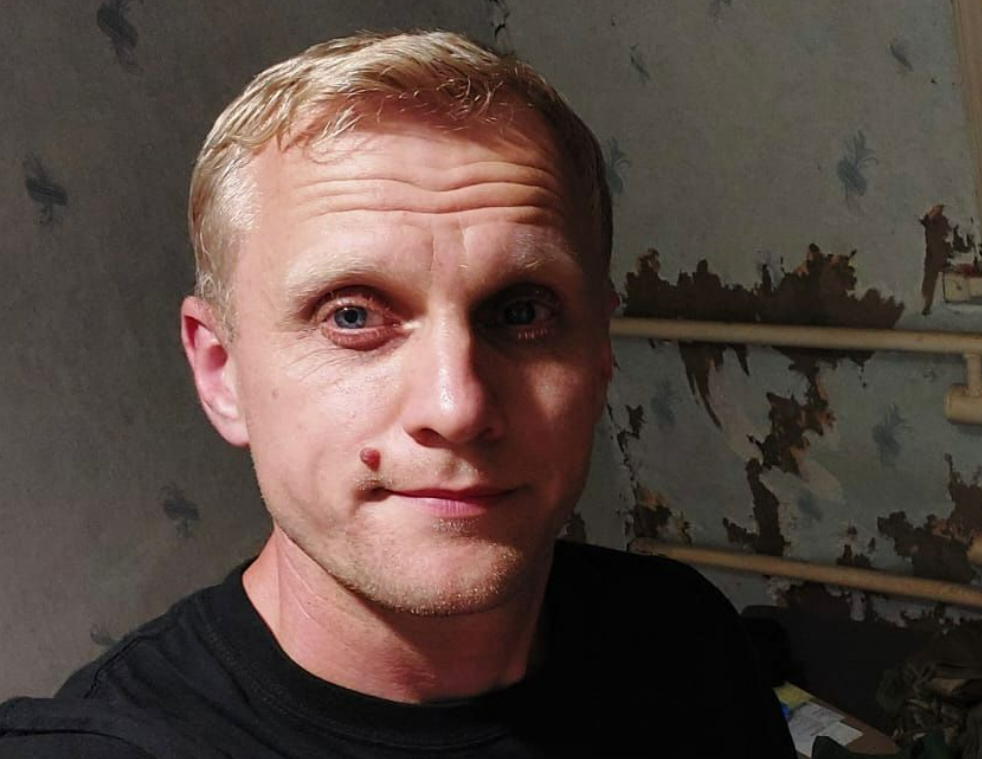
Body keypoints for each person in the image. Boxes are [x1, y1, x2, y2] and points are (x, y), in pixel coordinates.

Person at [0, 30, 795, 758]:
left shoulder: (680, 637)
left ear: (597, 354)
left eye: (521, 312)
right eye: (351, 315)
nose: (457, 407)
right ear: (221, 372)